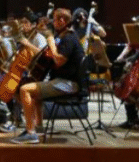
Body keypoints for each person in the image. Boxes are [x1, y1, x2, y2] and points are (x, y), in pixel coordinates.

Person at [10, 8, 84, 144]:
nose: (52, 22)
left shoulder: (69, 38)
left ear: (62, 21)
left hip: (69, 83)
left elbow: (59, 60)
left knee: (25, 90)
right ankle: (38, 127)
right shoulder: (63, 37)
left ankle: (31, 133)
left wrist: (50, 41)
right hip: (62, 80)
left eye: (54, 19)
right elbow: (51, 57)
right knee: (33, 90)